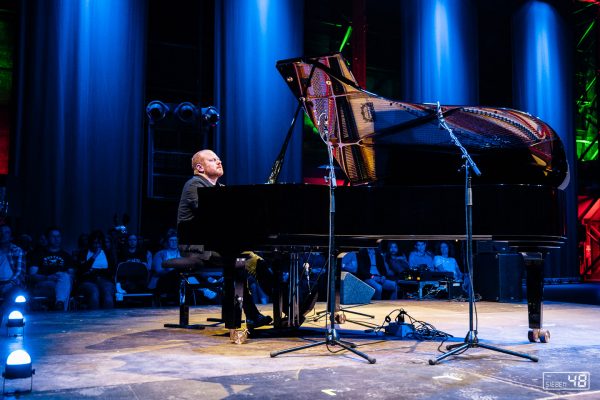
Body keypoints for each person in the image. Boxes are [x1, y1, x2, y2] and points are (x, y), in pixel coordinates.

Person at [177, 149, 272, 329]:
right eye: (213, 160)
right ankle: (251, 312)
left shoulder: (220, 189)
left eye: (219, 159)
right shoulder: (194, 184)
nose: (219, 162)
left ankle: (274, 303)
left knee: (247, 258)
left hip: (219, 243)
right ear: (200, 167)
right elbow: (213, 216)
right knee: (239, 260)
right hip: (196, 246)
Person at [27, 227, 74, 311]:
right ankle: (60, 307)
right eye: (53, 236)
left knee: (65, 277)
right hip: (44, 282)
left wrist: (61, 276)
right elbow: (32, 275)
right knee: (63, 288)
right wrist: (48, 277)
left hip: (62, 282)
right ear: (48, 238)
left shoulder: (66, 256)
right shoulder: (38, 254)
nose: (56, 239)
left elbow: (71, 275)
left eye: (58, 236)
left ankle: (59, 304)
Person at [76, 230, 116, 309]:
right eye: (95, 243)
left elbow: (111, 271)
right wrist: (95, 255)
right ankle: (95, 319)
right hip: (88, 281)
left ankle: (108, 319)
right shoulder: (84, 253)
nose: (96, 245)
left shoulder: (107, 253)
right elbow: (82, 270)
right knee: (94, 292)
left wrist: (95, 271)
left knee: (107, 294)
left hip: (104, 280)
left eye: (99, 243)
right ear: (90, 242)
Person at [0, 224, 25, 311]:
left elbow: (20, 272)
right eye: (1, 232)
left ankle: (4, 316)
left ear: (11, 236)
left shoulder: (17, 250)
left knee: (15, 293)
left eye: (6, 232)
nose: (3, 234)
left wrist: (10, 284)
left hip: (12, 283)